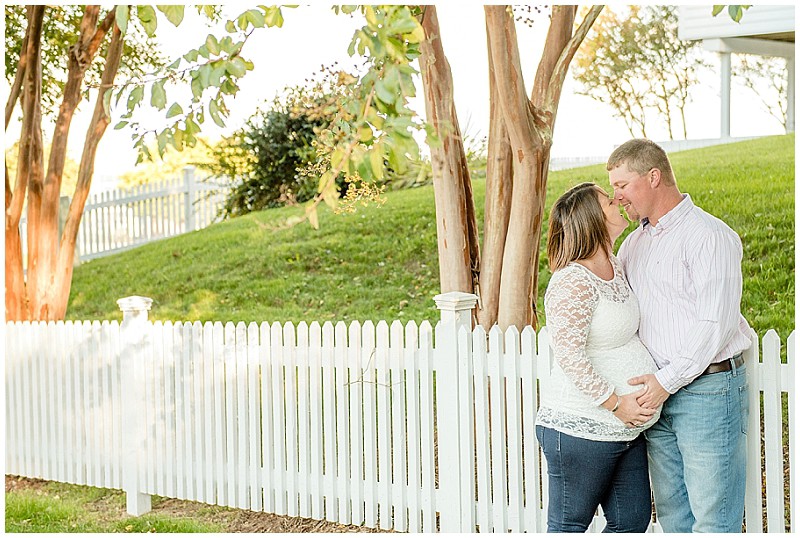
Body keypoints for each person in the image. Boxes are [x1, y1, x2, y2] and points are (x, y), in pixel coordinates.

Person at [607, 138, 752, 533]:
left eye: (622, 185)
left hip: (706, 391)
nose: (616, 196)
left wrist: (664, 384)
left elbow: (713, 325)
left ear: (654, 177)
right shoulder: (633, 243)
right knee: (673, 517)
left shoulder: (709, 236)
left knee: (713, 520)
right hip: (656, 396)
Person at [535, 182, 661, 533]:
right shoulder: (572, 282)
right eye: (609, 200)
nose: (618, 200)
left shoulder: (615, 265)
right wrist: (615, 403)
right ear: (593, 218)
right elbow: (569, 356)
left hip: (625, 429)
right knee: (569, 525)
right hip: (582, 428)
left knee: (630, 522)